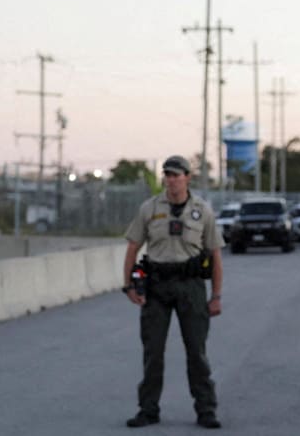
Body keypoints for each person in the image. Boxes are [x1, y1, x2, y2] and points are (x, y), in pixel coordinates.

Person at [122, 155, 225, 429]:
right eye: (167, 174)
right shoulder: (150, 208)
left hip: (191, 286)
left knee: (196, 351)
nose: (171, 179)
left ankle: (206, 409)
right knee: (153, 351)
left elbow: (215, 255)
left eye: (176, 174)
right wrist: (129, 285)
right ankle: (148, 409)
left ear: (188, 177)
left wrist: (216, 296)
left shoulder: (202, 210)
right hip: (157, 286)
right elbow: (133, 247)